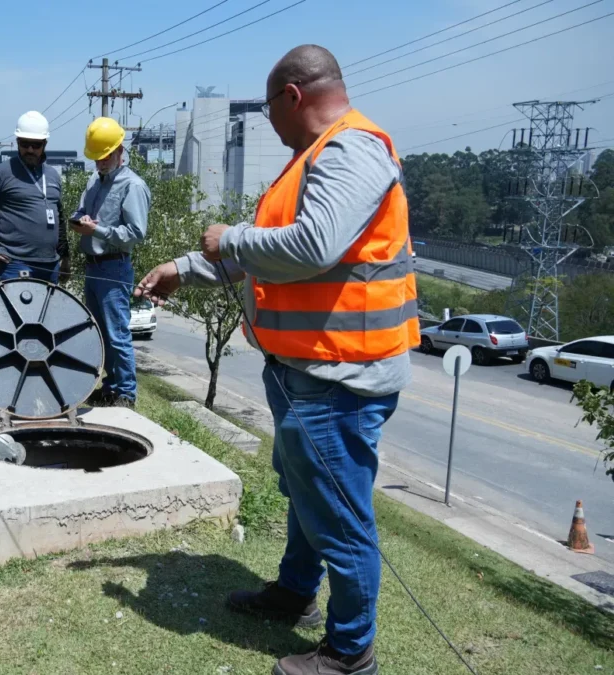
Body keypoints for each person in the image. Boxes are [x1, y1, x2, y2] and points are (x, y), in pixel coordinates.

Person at [135, 44, 418, 675]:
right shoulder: (308, 160)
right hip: (304, 370)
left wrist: (227, 236)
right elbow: (270, 251)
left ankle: (350, 654)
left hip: (340, 377)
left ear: (293, 96)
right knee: (306, 496)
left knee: (340, 519)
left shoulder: (351, 150)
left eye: (269, 111)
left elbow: (311, 246)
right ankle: (295, 592)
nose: (269, 123)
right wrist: (183, 268)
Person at [70, 116, 150, 408]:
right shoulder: (94, 181)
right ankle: (110, 386)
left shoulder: (133, 186)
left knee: (116, 332)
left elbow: (136, 233)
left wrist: (98, 230)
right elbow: (82, 211)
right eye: (96, 159)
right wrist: (79, 221)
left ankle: (126, 393)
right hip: (93, 264)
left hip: (114, 264)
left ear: (120, 151)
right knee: (99, 331)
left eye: (104, 157)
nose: (100, 164)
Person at [0, 111, 69, 283]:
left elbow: (60, 217)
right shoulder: (1, 173)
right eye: (24, 144)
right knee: (17, 311)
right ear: (17, 142)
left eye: (36, 145)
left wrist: (65, 256)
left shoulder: (52, 175)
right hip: (14, 265)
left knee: (46, 311)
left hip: (51, 264)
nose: (30, 150)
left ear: (44, 144)